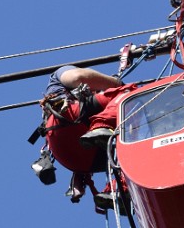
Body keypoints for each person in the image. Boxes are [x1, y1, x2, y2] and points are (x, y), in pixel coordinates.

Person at [39, 65, 137, 210]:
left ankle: (116, 190)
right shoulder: (59, 75)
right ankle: (101, 125)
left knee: (127, 147)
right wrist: (116, 83)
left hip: (73, 158)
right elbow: (77, 77)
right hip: (69, 119)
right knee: (130, 93)